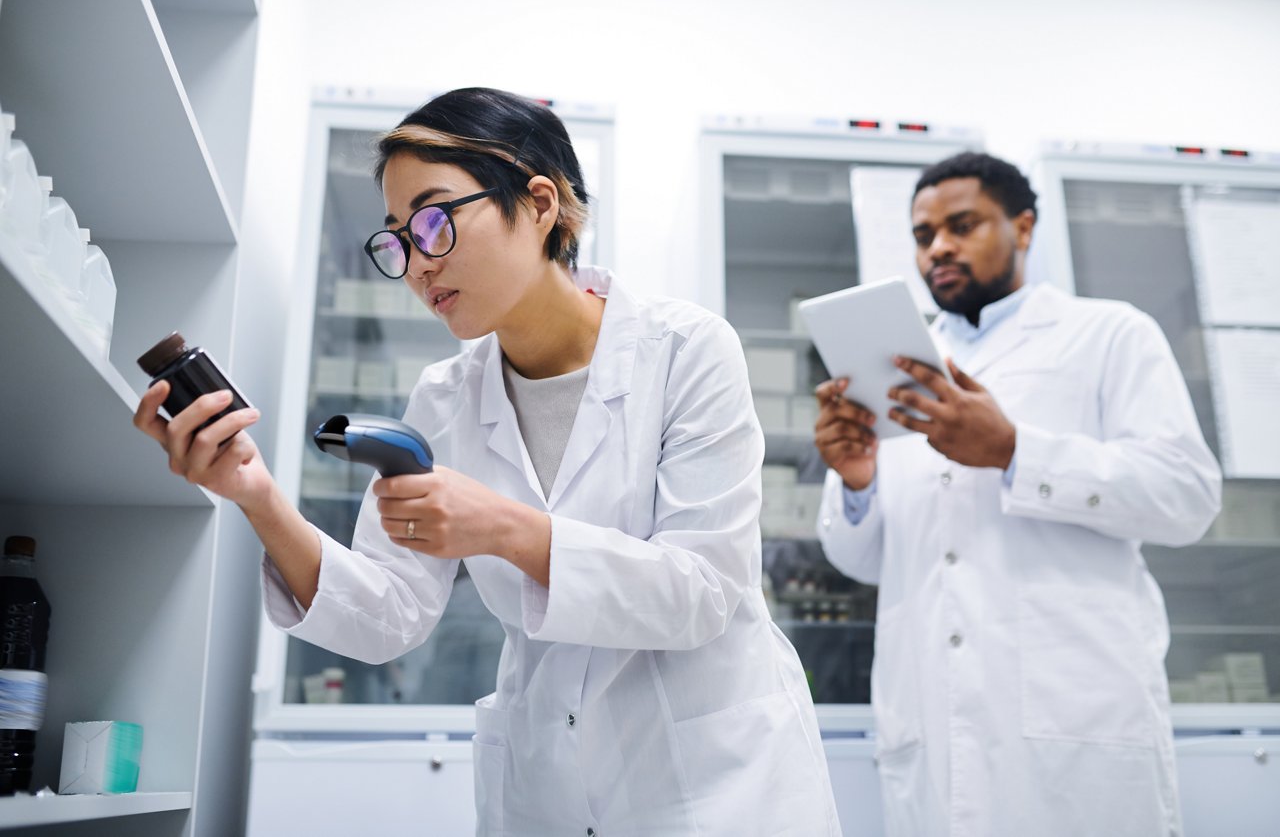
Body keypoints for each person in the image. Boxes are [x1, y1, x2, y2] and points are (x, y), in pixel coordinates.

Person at [136, 87, 841, 836]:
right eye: (398, 241)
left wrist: (506, 529)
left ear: (540, 203)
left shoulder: (689, 351)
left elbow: (700, 593)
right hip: (549, 789)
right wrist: (256, 495)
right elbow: (388, 614)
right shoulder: (443, 398)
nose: (416, 265)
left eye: (436, 221)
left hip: (714, 788)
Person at [813, 152, 1221, 837]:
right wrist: (858, 482)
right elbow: (869, 562)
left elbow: (1187, 495)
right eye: (923, 235)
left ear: (1023, 226)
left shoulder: (1107, 334)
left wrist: (1013, 451)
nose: (938, 246)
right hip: (932, 731)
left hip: (1075, 731)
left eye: (962, 225)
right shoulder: (897, 365)